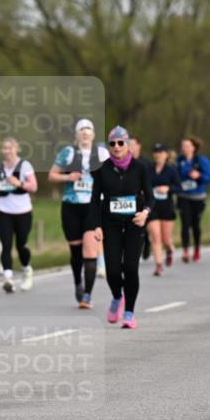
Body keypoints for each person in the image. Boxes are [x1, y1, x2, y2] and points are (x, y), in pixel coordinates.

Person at [87, 126, 153, 329]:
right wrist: (96, 226)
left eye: (120, 143)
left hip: (134, 224)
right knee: (113, 270)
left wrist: (145, 213)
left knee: (131, 268)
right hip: (111, 224)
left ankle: (129, 312)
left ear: (128, 144)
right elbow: (94, 200)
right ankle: (117, 296)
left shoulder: (140, 167)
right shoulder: (101, 169)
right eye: (112, 143)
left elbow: (149, 196)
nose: (116, 147)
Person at [49, 119, 110, 309]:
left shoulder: (102, 153)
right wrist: (68, 177)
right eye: (81, 130)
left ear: (93, 134)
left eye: (88, 130)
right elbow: (52, 175)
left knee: (90, 251)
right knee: (76, 252)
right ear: (76, 135)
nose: (85, 133)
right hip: (71, 207)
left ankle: (87, 296)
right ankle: (78, 282)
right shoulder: (67, 153)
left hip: (93, 207)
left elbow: (113, 174)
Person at [0, 137, 38, 293]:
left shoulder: (24, 166)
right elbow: (0, 187)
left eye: (10, 148)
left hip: (23, 211)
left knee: (21, 245)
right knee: (5, 243)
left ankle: (26, 269)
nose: (7, 151)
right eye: (4, 148)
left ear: (17, 149)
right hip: (4, 211)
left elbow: (34, 186)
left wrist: (20, 183)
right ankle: (8, 278)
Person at [176, 136, 210, 263]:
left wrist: (199, 176)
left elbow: (209, 177)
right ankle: (185, 251)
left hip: (198, 197)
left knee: (195, 224)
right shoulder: (178, 161)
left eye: (187, 146)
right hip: (183, 197)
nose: (185, 148)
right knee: (185, 223)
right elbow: (173, 176)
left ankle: (197, 248)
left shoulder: (201, 161)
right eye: (183, 146)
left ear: (194, 147)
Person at [146, 142, 179, 276]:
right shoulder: (149, 169)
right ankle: (159, 265)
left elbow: (179, 187)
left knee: (165, 239)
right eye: (156, 152)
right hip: (152, 207)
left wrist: (168, 188)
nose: (158, 155)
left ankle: (170, 248)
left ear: (166, 154)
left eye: (161, 152)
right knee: (155, 236)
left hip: (167, 207)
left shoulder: (171, 170)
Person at [130, 137, 154, 261]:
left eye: (133, 144)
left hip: (145, 197)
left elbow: (152, 179)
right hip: (131, 198)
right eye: (128, 144)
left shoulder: (146, 163)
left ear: (139, 146)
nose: (131, 147)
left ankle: (146, 245)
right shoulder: (125, 162)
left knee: (145, 223)